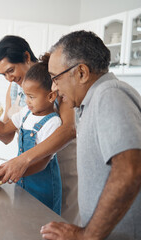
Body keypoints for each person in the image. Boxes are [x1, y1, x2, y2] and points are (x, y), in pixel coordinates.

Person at [0, 35, 79, 224]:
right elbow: (6, 134)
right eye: (3, 74)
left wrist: (22, 160)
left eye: (11, 70)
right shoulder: (15, 89)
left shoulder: (55, 81)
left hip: (60, 167)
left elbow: (69, 129)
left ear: (26, 57)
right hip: (29, 170)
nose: (9, 78)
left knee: (60, 224)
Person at [40, 31, 141, 240]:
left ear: (82, 73)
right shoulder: (91, 102)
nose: (54, 87)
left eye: (55, 78)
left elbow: (131, 169)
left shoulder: (109, 94)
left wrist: (88, 235)